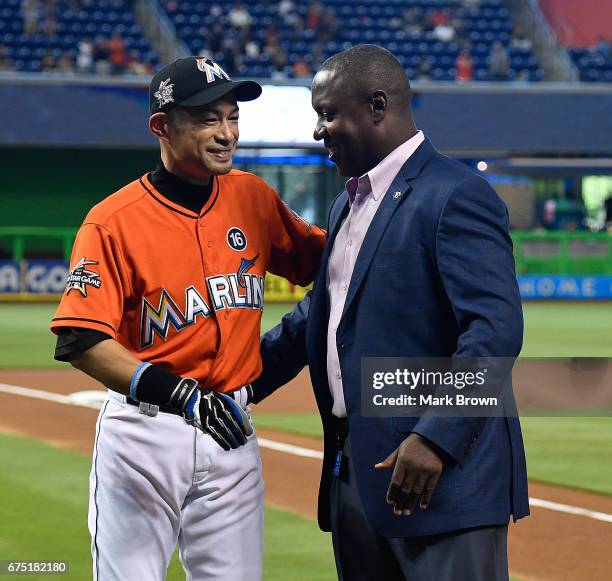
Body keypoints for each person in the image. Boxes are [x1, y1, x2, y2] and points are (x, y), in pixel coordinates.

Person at [251, 45, 529, 580]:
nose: (319, 130)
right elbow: (324, 312)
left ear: (377, 105)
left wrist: (435, 437)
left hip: (441, 478)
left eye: (328, 114)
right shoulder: (347, 202)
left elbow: (493, 331)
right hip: (356, 471)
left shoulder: (456, 195)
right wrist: (234, 381)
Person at [50, 56, 326, 580]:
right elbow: (80, 338)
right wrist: (181, 395)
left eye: (232, 117)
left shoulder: (253, 197)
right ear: (162, 127)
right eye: (207, 119)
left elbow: (329, 263)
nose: (226, 134)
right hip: (145, 435)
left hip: (231, 432)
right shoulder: (112, 222)